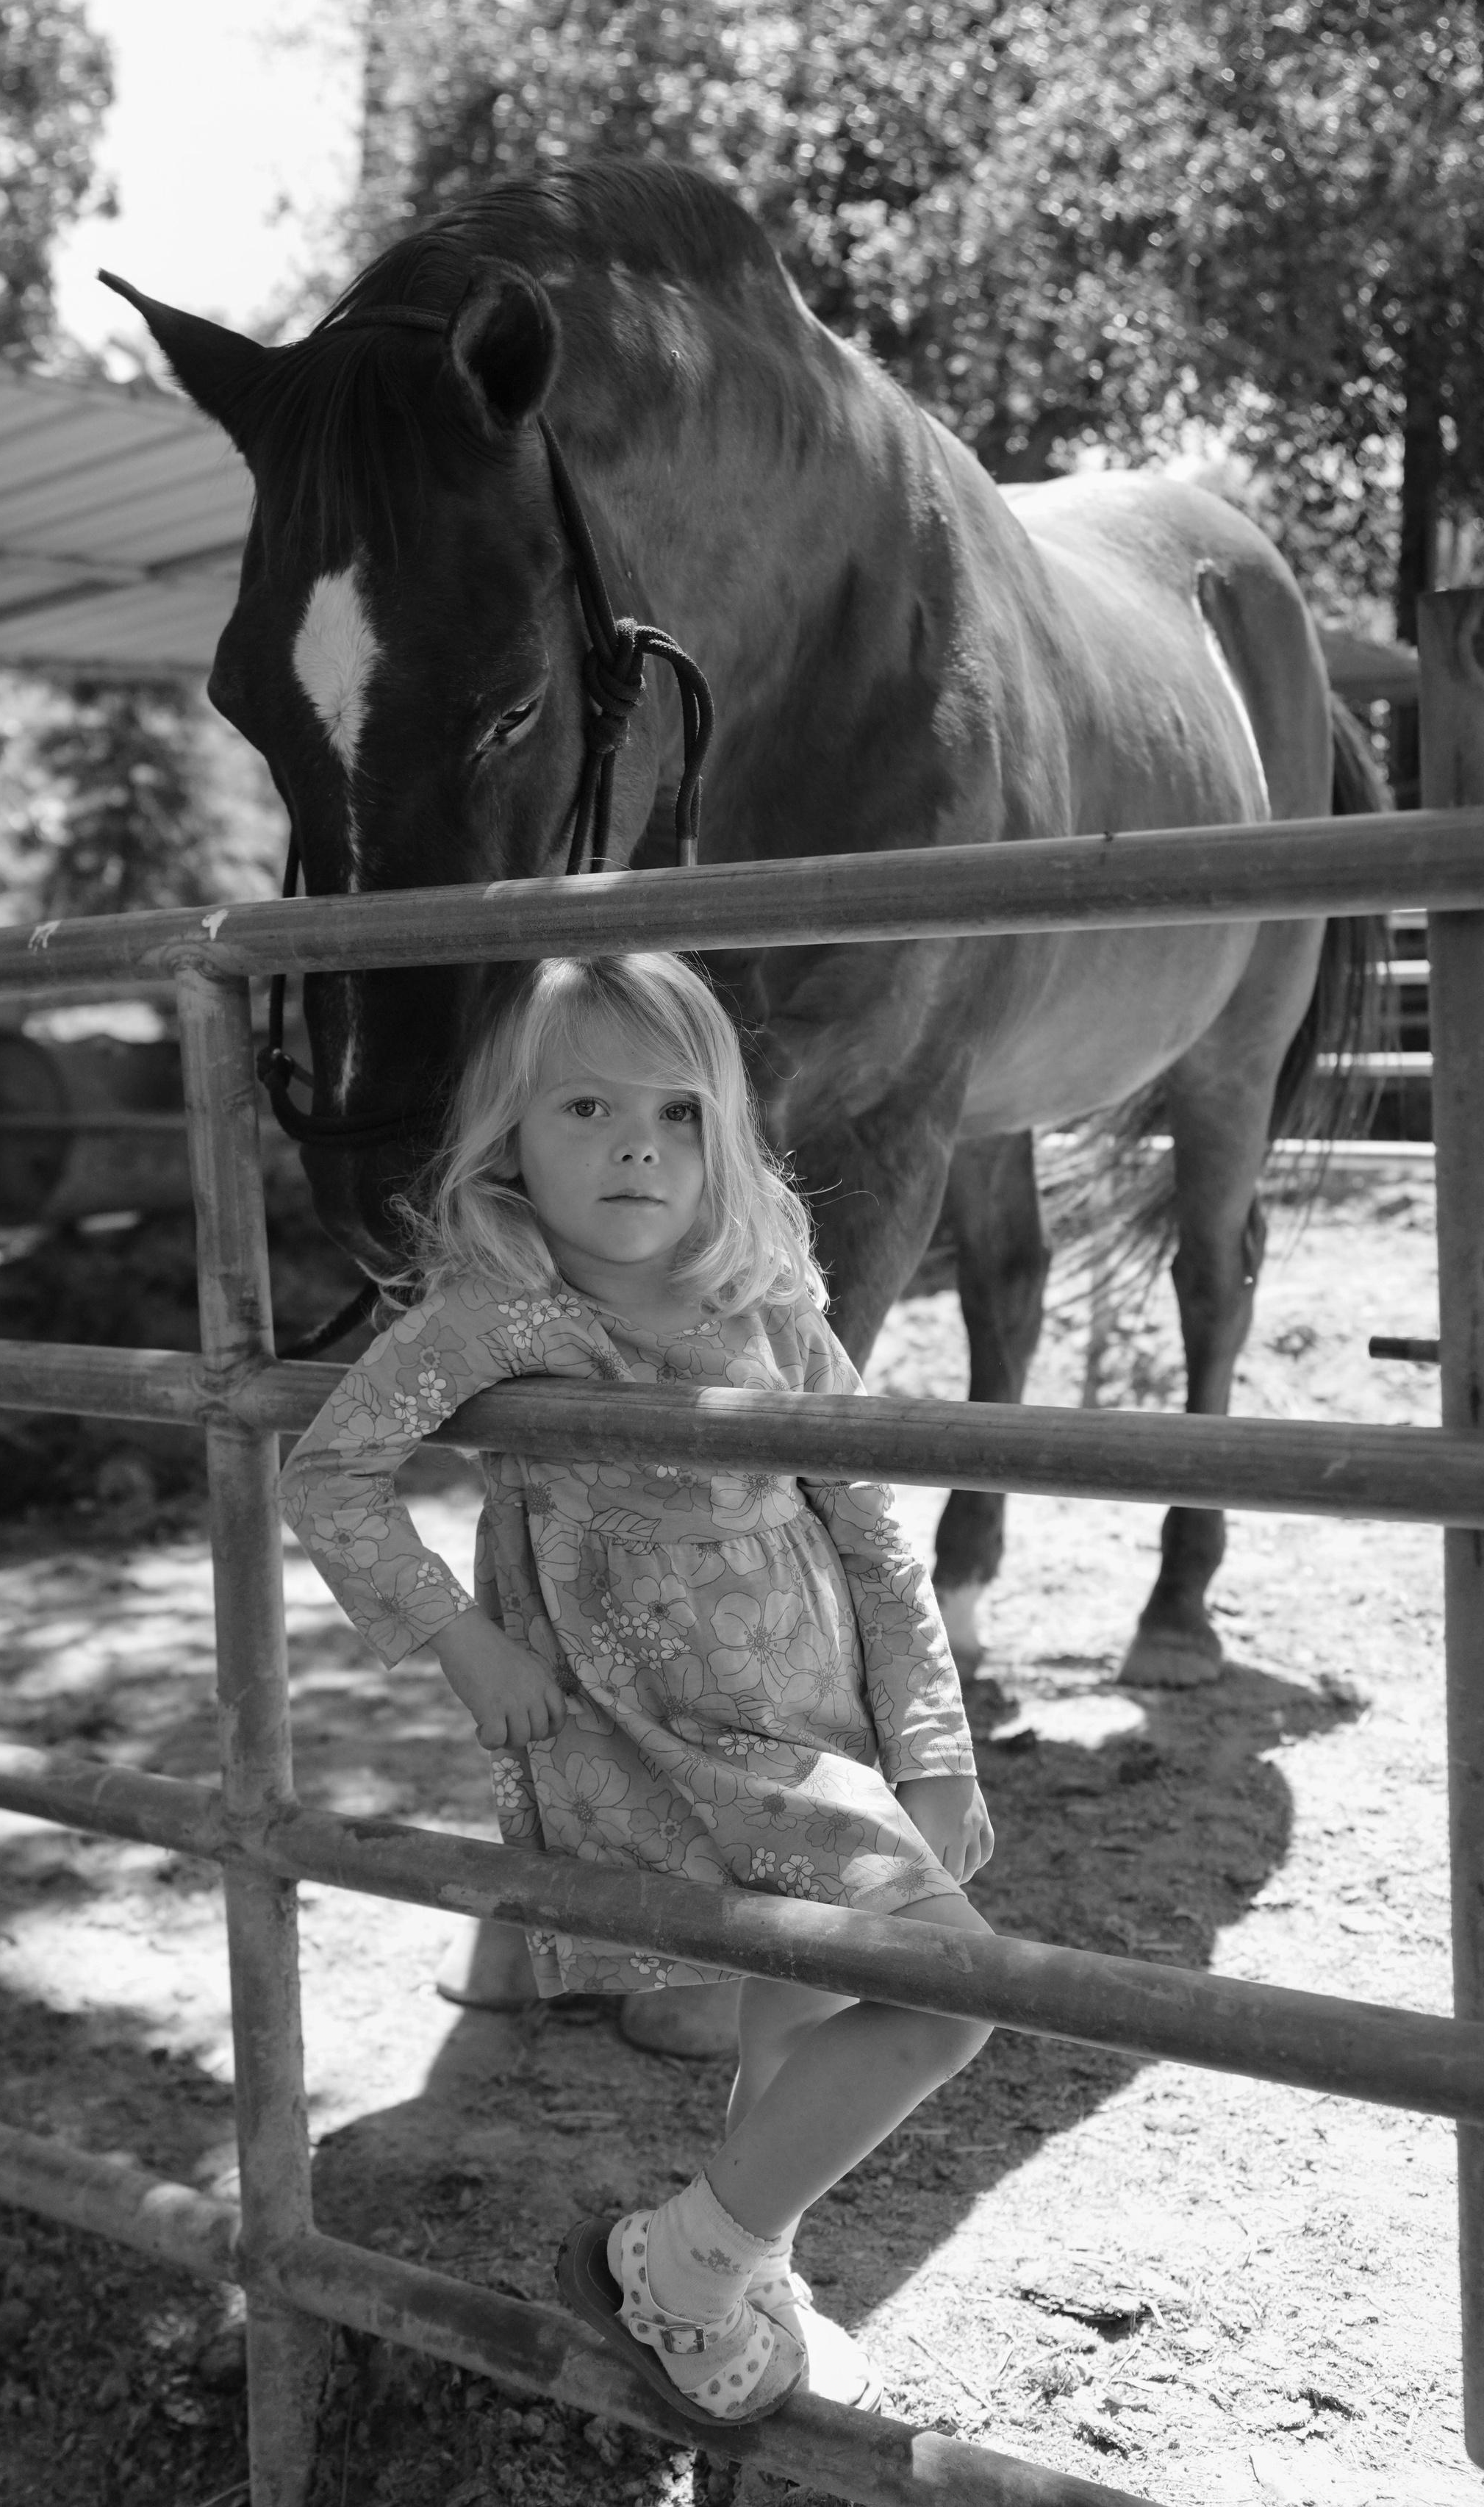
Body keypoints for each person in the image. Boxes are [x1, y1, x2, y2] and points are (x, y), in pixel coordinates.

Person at [279, 953, 994, 2426]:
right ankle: (682, 2260)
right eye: (586, 1108)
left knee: (793, 2005)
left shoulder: (770, 1301)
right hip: (669, 1734)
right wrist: (459, 1643)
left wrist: (934, 1746)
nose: (634, 1148)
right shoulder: (491, 1318)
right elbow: (330, 1474)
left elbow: (867, 1519)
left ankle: (744, 2272)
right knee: (948, 1997)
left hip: (825, 1718)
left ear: (722, 1135)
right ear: (508, 1140)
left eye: (675, 1113)